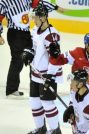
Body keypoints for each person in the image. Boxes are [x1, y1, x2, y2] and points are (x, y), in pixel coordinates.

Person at [0, 0, 64, 98]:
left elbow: (38, 2)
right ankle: (11, 90)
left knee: (32, 58)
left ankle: (36, 87)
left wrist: (55, 7)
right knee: (17, 60)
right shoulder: (4, 2)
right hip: (15, 33)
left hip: (26, 33)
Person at [21, 4, 63, 134]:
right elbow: (33, 46)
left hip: (47, 75)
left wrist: (50, 76)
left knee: (47, 104)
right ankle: (41, 128)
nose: (34, 20)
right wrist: (28, 53)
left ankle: (55, 130)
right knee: (34, 102)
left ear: (44, 17)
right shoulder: (36, 29)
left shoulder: (52, 36)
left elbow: (55, 58)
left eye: (36, 18)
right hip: (36, 73)